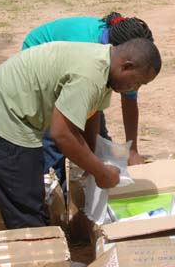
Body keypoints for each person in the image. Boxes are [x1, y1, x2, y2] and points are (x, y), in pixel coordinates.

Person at [0, 38, 162, 229]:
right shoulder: (90, 75)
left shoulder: (105, 68)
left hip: (19, 115)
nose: (134, 89)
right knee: (25, 207)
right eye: (137, 82)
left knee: (32, 193)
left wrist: (92, 158)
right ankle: (36, 257)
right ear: (126, 66)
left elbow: (91, 114)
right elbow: (61, 134)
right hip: (0, 114)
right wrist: (100, 172)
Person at [22, 13, 153, 188]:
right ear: (124, 60)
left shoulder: (123, 62)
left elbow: (126, 100)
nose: (135, 87)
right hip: (40, 67)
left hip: (80, 78)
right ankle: (55, 199)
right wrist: (96, 168)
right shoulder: (88, 51)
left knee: (96, 141)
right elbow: (61, 131)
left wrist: (132, 150)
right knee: (56, 140)